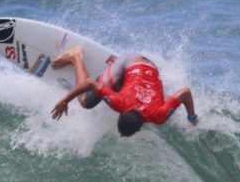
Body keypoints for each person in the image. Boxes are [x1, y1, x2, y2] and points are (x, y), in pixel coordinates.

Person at [50, 47, 198, 136]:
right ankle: (75, 56)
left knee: (118, 90)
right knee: (85, 102)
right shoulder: (119, 103)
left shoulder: (159, 116)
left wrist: (192, 117)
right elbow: (90, 83)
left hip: (150, 66)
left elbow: (185, 92)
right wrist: (64, 101)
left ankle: (118, 82)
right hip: (129, 61)